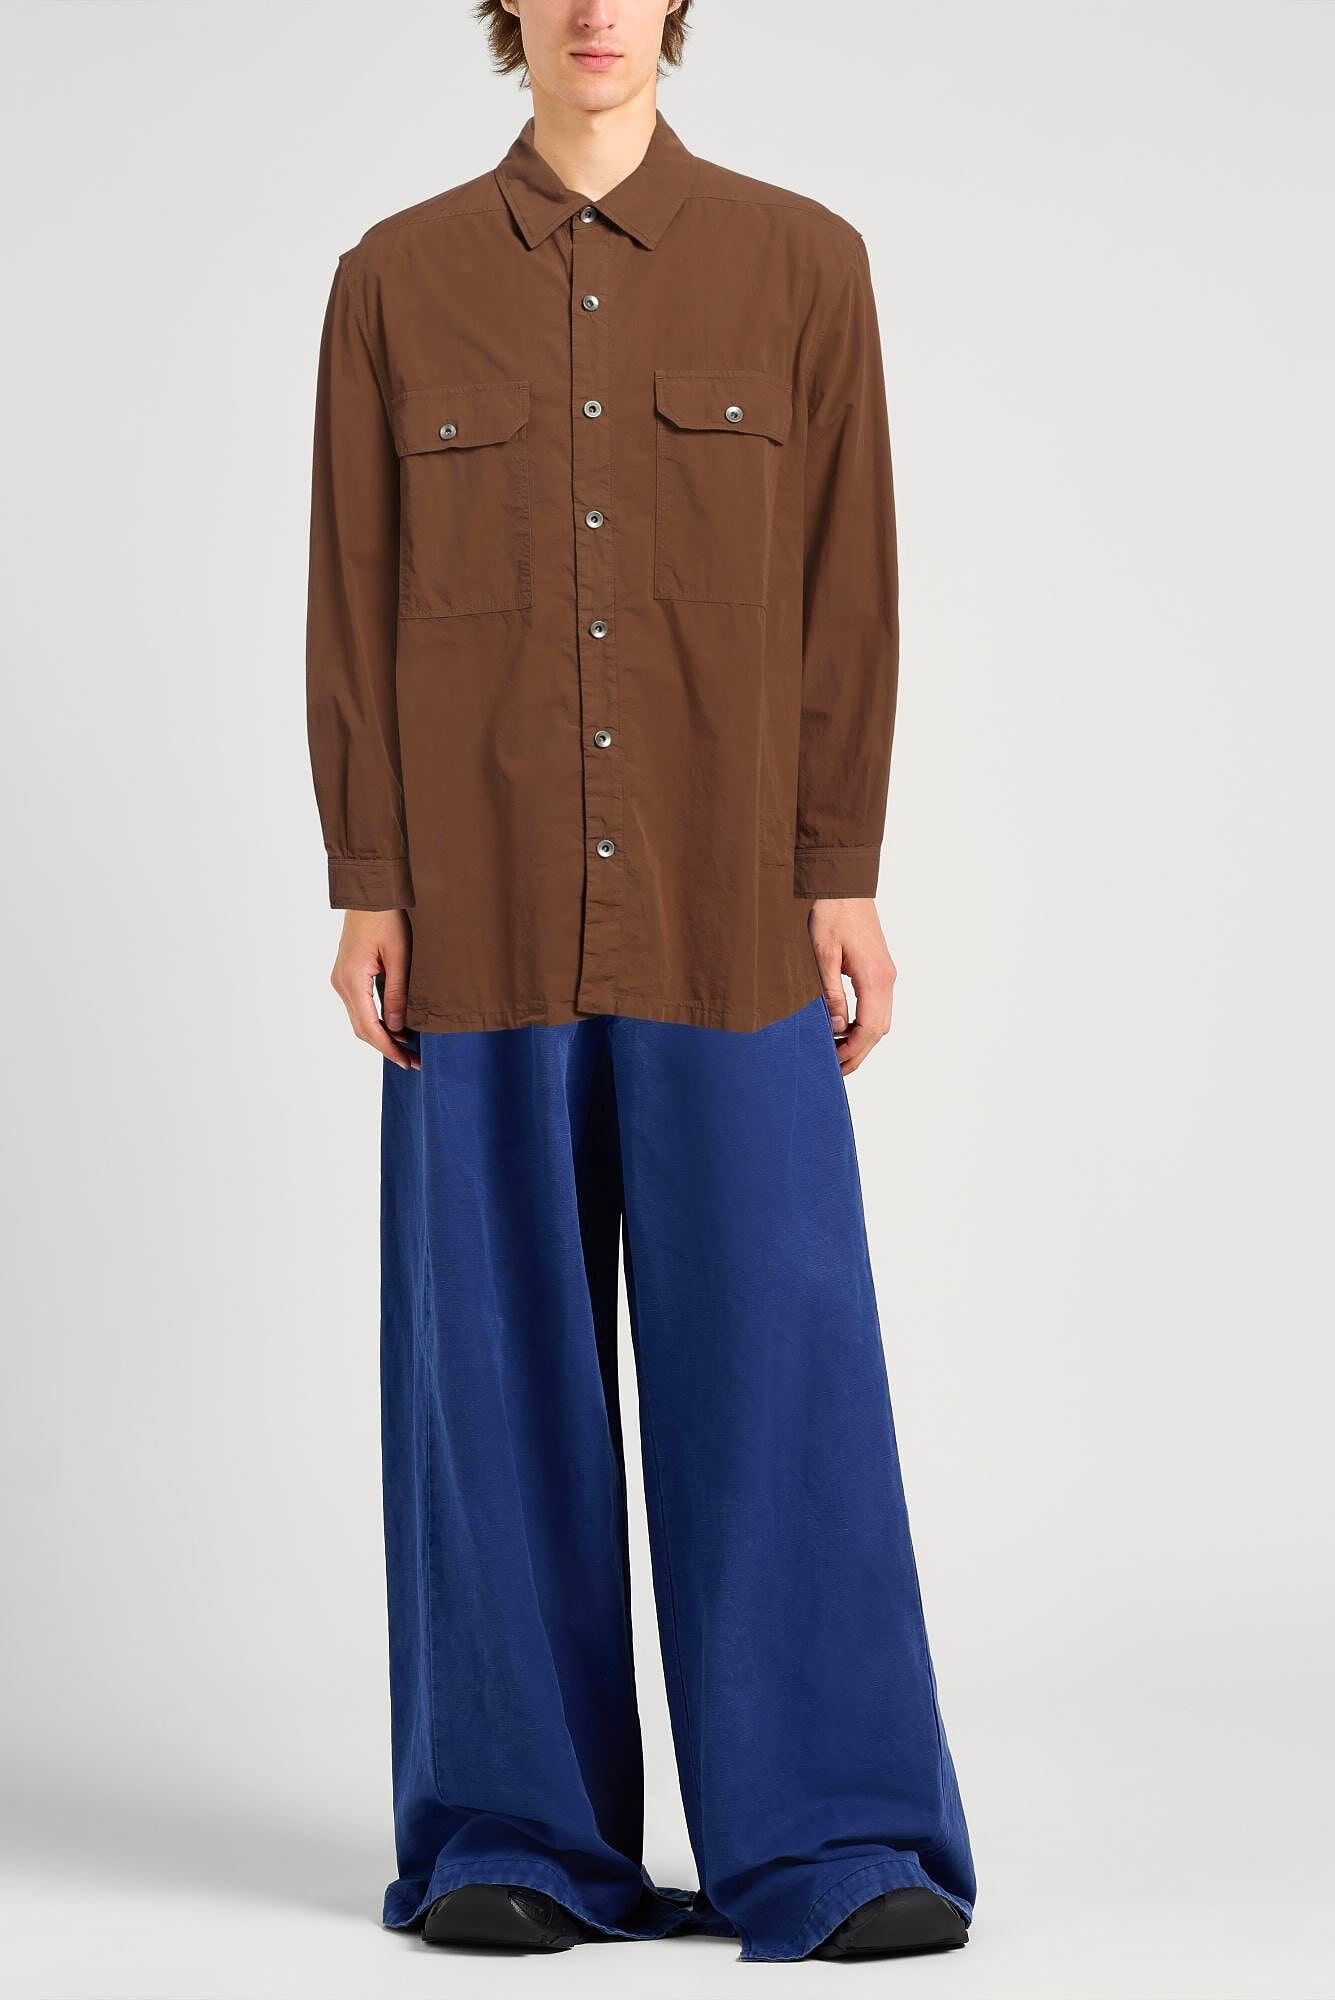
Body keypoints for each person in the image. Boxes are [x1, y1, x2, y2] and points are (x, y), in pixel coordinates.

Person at [304, 0, 976, 1964]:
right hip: (480, 906)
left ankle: (836, 1832)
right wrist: (368, 878)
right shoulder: (394, 283)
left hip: (730, 907)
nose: (596, 6)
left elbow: (849, 587)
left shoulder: (803, 266)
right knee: (488, 1370)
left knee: (777, 1359)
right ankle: (516, 1832)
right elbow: (351, 590)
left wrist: (840, 867)